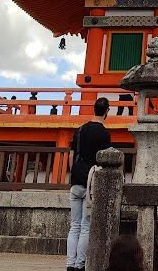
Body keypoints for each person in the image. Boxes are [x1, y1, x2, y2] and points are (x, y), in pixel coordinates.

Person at [66, 96, 111, 271]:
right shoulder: (104, 134)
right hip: (91, 182)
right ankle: (79, 265)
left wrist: (73, 174)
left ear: (94, 109)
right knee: (85, 227)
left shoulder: (80, 130)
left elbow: (71, 155)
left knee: (74, 225)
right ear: (107, 111)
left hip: (76, 181)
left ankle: (70, 264)